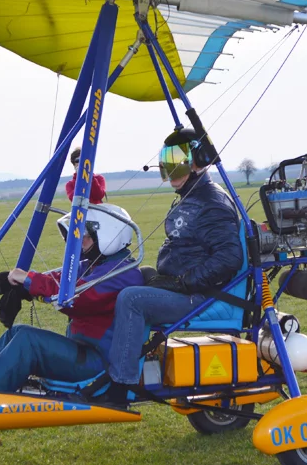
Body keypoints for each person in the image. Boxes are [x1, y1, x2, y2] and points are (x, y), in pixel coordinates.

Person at [103, 129, 244, 403]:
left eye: (177, 156)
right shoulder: (191, 197)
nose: (169, 164)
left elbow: (228, 258)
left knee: (132, 299)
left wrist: (184, 282)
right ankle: (106, 358)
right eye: (167, 157)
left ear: (199, 160)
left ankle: (120, 385)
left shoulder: (212, 203)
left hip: (202, 295)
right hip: (184, 288)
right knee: (131, 277)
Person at [0, 203, 142, 393]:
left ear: (108, 236)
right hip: (82, 350)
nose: (80, 241)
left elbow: (77, 297)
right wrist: (10, 283)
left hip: (96, 360)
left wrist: (28, 280)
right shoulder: (93, 265)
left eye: (85, 235)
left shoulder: (122, 274)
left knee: (27, 341)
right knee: (17, 332)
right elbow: (57, 279)